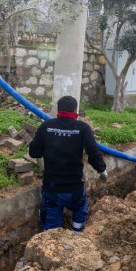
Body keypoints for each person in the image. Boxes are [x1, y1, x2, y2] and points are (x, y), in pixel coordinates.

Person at [28, 96, 108, 232]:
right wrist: (102, 171)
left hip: (51, 188)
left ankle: (49, 242)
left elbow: (33, 152)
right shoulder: (83, 128)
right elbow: (94, 154)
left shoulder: (46, 126)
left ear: (58, 110)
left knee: (51, 224)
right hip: (74, 188)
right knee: (80, 210)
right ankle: (77, 235)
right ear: (75, 110)